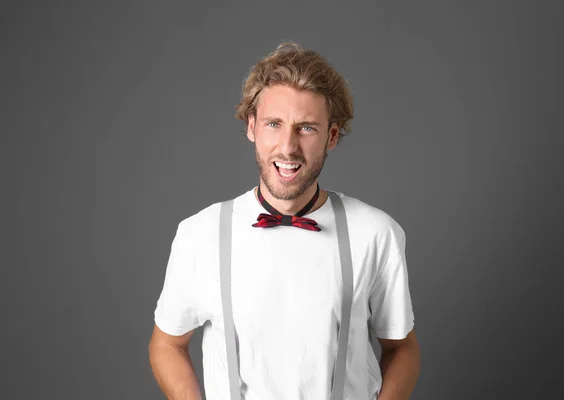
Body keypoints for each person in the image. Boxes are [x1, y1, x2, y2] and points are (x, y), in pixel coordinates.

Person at [148, 41, 420, 400]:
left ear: (332, 136)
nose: (287, 147)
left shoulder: (375, 233)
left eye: (306, 128)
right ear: (252, 128)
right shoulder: (200, 234)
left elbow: (402, 348)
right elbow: (166, 344)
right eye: (274, 124)